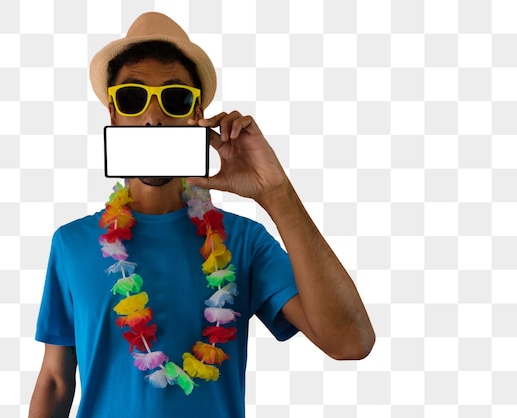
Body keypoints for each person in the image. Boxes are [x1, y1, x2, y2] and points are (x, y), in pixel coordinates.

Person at [29, 11, 374, 418]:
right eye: (133, 98)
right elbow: (55, 379)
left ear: (196, 115)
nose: (153, 117)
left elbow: (350, 342)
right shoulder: (71, 245)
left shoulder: (245, 243)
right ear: (113, 115)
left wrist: (276, 194)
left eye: (174, 99)